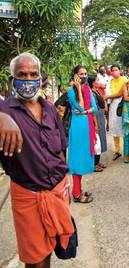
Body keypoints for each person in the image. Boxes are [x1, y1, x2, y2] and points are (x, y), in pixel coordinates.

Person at [0, 53, 74, 267]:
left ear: (41, 78)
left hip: (57, 189)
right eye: (22, 74)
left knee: (52, 247)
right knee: (35, 258)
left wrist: (65, 183)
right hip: (28, 193)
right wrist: (2, 117)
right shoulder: (6, 110)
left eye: (33, 74)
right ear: (13, 79)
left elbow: (60, 148)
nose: (28, 79)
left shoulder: (50, 108)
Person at [67, 65, 98, 203]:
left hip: (86, 125)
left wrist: (85, 111)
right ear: (75, 75)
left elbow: (95, 108)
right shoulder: (70, 91)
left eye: (85, 73)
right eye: (81, 74)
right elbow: (79, 106)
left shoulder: (88, 89)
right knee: (77, 159)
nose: (84, 76)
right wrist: (79, 89)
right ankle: (76, 194)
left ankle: (78, 189)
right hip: (78, 127)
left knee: (83, 157)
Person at [105, 65, 127, 161]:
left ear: (120, 70)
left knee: (124, 126)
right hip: (113, 105)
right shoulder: (110, 81)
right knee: (114, 127)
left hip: (123, 104)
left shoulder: (124, 80)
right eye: (112, 70)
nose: (114, 72)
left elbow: (122, 93)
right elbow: (107, 94)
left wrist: (109, 96)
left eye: (116, 70)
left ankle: (127, 150)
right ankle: (117, 150)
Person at [88, 75, 108, 172]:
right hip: (96, 117)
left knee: (100, 138)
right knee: (97, 141)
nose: (99, 81)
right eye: (97, 80)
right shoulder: (91, 93)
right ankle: (94, 163)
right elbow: (93, 108)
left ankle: (98, 161)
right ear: (93, 82)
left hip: (100, 116)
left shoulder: (96, 91)